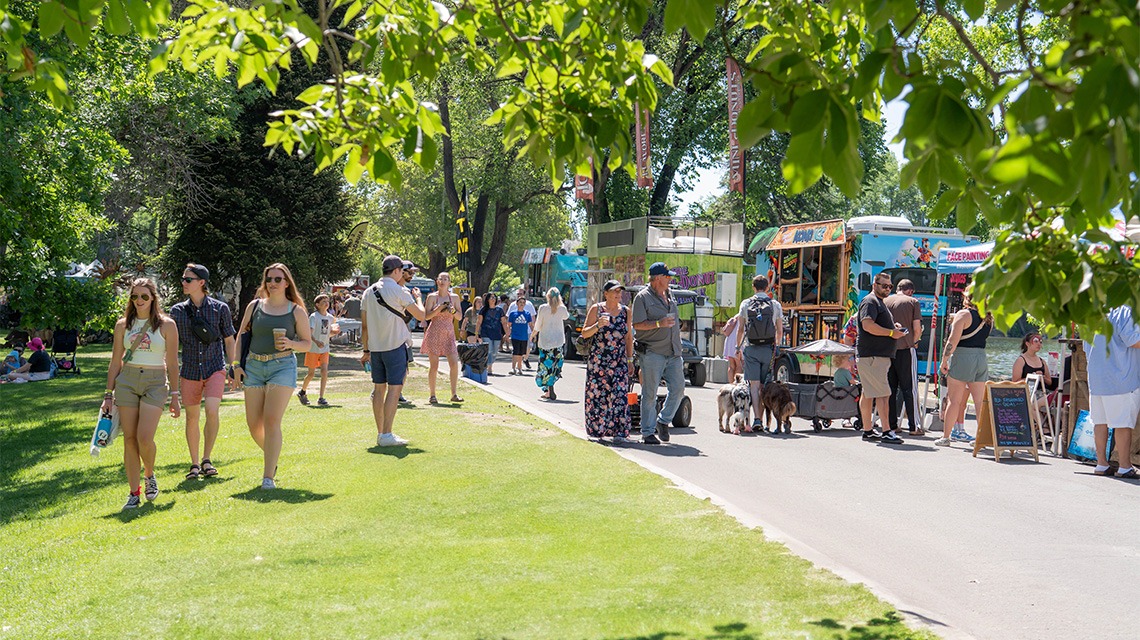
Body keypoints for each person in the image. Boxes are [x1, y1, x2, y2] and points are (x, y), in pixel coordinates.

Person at [102, 278, 181, 509]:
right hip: (127, 380)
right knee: (129, 439)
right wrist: (108, 394)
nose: (139, 301)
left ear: (153, 298)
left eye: (144, 296)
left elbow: (173, 363)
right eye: (135, 296)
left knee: (144, 437)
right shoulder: (122, 325)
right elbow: (115, 361)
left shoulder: (167, 325)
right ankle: (133, 493)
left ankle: (149, 475)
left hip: (155, 382)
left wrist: (175, 395)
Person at [233, 263, 312, 488]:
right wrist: (236, 365)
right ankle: (273, 457)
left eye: (278, 279)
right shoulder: (255, 306)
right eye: (269, 279)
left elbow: (307, 344)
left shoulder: (295, 310)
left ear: (287, 283)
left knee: (271, 420)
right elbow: (241, 336)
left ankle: (268, 478)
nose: (273, 283)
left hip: (282, 366)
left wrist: (290, 343)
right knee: (253, 424)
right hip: (254, 367)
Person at [170, 263, 238, 479]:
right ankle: (194, 464)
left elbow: (229, 339)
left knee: (211, 409)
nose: (184, 283)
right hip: (189, 370)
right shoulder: (177, 311)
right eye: (183, 279)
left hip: (214, 367)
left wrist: (233, 366)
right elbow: (171, 344)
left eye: (188, 279)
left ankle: (207, 459)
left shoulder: (220, 308)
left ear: (201, 282)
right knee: (192, 417)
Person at [359, 255, 426, 447]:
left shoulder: (368, 292)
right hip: (395, 345)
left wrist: (366, 350)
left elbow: (364, 326)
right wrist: (419, 299)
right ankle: (386, 434)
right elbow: (421, 315)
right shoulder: (399, 290)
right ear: (396, 271)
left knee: (378, 389)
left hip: (375, 347)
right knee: (395, 390)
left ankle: (381, 433)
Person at [631, 263, 685, 444]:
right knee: (650, 393)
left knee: (678, 390)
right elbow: (637, 325)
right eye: (667, 276)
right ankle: (647, 432)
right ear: (657, 278)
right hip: (652, 352)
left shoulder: (670, 295)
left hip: (674, 352)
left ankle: (663, 421)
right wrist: (658, 324)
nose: (670, 279)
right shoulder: (642, 297)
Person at [1085, 305, 1140, 478]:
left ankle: (1101, 464)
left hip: (1096, 378)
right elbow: (1133, 340)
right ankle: (1124, 466)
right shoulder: (1126, 310)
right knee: (1123, 424)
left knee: (1100, 422)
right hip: (1120, 376)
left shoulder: (1093, 311)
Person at [935, 294, 991, 447]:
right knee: (980, 402)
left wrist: (944, 361)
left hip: (963, 356)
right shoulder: (988, 317)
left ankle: (946, 437)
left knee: (954, 401)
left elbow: (952, 341)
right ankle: (981, 438)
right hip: (981, 358)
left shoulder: (964, 314)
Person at [856, 271, 906, 444]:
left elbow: (876, 325)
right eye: (884, 286)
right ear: (874, 285)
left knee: (869, 394)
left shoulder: (878, 302)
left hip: (873, 356)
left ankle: (868, 430)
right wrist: (892, 332)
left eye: (890, 286)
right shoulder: (870, 301)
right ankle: (886, 431)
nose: (887, 289)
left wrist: (894, 326)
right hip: (873, 356)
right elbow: (868, 325)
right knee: (884, 394)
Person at [583, 280, 633, 443]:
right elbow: (584, 333)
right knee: (598, 395)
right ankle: (597, 430)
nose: (618, 294)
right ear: (606, 294)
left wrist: (630, 359)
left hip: (618, 360)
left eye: (620, 291)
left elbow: (628, 337)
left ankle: (619, 431)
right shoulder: (597, 309)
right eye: (614, 291)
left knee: (619, 394)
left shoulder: (626, 311)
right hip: (599, 361)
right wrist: (598, 325)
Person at [734, 274, 784, 432]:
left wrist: (737, 347)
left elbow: (740, 329)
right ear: (767, 287)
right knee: (765, 385)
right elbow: (780, 331)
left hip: (751, 348)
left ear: (753, 287)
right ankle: (766, 420)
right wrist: (777, 346)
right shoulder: (775, 304)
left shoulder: (746, 303)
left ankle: (757, 419)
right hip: (768, 349)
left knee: (754, 386)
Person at [884, 278, 923, 435]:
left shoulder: (885, 301)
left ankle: (892, 425)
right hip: (906, 349)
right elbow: (917, 328)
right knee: (910, 389)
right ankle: (914, 426)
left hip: (887, 351)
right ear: (910, 291)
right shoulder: (913, 301)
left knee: (890, 389)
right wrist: (915, 342)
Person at [422, 272, 463, 404]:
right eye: (441, 279)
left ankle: (454, 393)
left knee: (454, 363)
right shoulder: (432, 297)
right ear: (437, 281)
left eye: (446, 279)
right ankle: (432, 395)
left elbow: (459, 317)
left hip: (449, 334)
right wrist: (438, 309)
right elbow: (427, 316)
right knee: (434, 366)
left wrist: (451, 310)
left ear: (450, 282)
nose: (443, 281)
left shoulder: (455, 298)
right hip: (434, 332)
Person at [299, 294, 338, 407]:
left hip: (325, 349)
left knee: (324, 372)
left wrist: (334, 333)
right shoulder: (314, 317)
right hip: (313, 349)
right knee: (311, 374)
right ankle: (302, 391)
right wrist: (316, 342)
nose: (327, 303)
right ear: (317, 305)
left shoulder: (330, 318)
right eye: (324, 301)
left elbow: (328, 334)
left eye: (327, 301)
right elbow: (309, 334)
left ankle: (321, 397)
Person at [533, 287, 569, 400]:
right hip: (558, 342)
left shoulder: (543, 308)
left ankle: (547, 389)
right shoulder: (562, 308)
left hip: (545, 342)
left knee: (545, 366)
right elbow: (566, 316)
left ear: (547, 296)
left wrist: (533, 335)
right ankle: (551, 385)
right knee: (555, 365)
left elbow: (538, 324)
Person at [476, 292, 508, 375]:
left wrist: (507, 333)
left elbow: (504, 322)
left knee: (494, 352)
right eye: (491, 297)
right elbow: (479, 322)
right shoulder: (483, 310)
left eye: (494, 297)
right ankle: (489, 367)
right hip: (485, 332)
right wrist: (476, 333)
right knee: (489, 350)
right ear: (487, 299)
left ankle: (489, 364)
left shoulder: (499, 310)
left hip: (497, 333)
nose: (493, 299)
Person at [507, 296, 534, 375]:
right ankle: (513, 368)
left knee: (521, 353)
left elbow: (530, 324)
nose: (522, 304)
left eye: (523, 303)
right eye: (520, 302)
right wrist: (508, 334)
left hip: (524, 336)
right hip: (515, 336)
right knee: (515, 352)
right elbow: (509, 325)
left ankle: (519, 368)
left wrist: (533, 334)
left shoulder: (527, 314)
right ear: (517, 303)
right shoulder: (513, 314)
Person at [516, 288, 537, 370]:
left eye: (521, 294)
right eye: (518, 294)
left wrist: (534, 328)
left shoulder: (529, 304)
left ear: (524, 294)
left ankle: (525, 359)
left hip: (528, 329)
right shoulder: (513, 304)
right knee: (518, 347)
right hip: (517, 330)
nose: (519, 295)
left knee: (528, 346)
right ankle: (518, 364)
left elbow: (533, 316)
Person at [721, 315, 742, 381]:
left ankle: (730, 384)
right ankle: (736, 384)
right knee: (739, 365)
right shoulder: (744, 315)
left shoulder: (736, 316)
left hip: (729, 341)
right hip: (738, 340)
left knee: (731, 366)